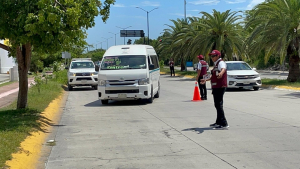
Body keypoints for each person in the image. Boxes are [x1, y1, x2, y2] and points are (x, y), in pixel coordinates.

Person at [200, 50, 229, 130]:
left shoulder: (221, 63)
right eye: (211, 56)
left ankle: (224, 123)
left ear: (218, 56)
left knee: (219, 105)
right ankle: (218, 122)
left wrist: (221, 73)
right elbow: (213, 76)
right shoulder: (216, 64)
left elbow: (223, 69)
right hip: (216, 87)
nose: (212, 58)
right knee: (217, 105)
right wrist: (206, 80)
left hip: (220, 87)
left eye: (213, 56)